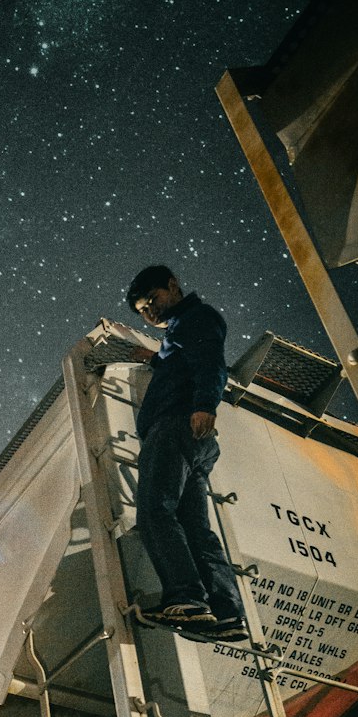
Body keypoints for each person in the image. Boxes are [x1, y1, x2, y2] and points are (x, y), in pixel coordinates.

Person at [123, 264, 246, 641]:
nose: (149, 312)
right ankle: (226, 612)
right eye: (142, 309)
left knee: (153, 511)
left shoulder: (196, 317)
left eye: (152, 300)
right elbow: (181, 358)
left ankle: (187, 597)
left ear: (173, 287)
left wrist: (205, 404)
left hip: (176, 426)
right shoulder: (180, 330)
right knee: (195, 527)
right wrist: (154, 360)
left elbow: (210, 360)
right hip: (194, 441)